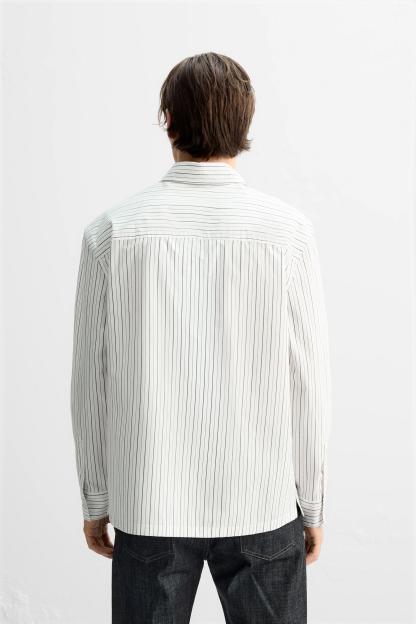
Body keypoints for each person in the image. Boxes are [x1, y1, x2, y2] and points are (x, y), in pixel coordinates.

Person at [70, 51, 332, 624]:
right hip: (262, 501)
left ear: (167, 120)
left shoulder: (111, 233)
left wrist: (96, 497)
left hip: (149, 500)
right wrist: (312, 503)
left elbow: (91, 381)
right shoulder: (287, 233)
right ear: (246, 123)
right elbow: (308, 381)